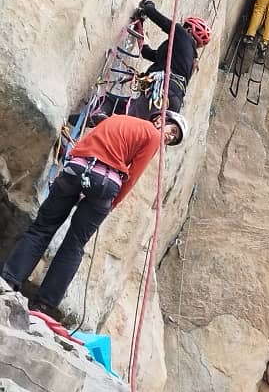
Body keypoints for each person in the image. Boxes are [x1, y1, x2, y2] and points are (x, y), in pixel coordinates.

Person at [1, 113, 187, 320]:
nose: (170, 137)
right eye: (172, 131)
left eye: (174, 138)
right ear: (160, 120)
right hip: (106, 183)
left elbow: (85, 142)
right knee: (74, 245)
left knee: (42, 227)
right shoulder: (153, 135)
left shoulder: (117, 118)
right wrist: (113, 203)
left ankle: (9, 280)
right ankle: (42, 305)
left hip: (77, 168)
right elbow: (133, 175)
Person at [101, 0, 211, 121]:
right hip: (171, 104)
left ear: (189, 30)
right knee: (133, 119)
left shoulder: (183, 35)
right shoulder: (187, 60)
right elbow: (148, 53)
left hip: (162, 91)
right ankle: (105, 116)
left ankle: (101, 111)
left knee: (111, 103)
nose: (181, 27)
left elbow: (161, 20)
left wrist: (148, 6)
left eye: (184, 26)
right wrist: (139, 28)